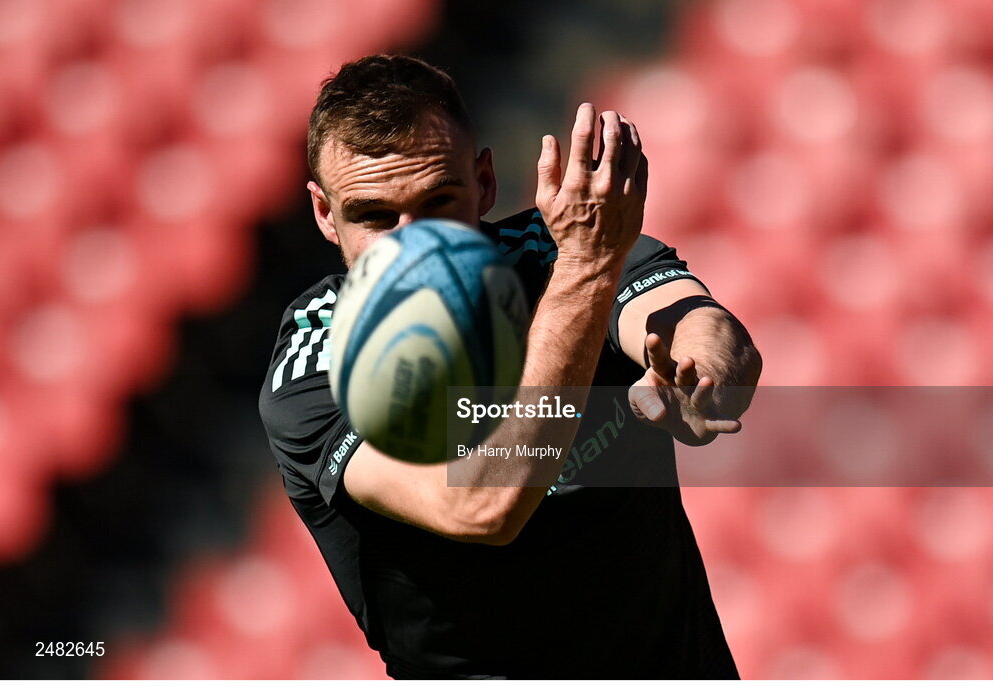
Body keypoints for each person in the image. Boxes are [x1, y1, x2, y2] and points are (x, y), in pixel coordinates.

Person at [259, 54, 761, 679]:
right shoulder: (318, 365)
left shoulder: (561, 250)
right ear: (325, 215)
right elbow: (482, 505)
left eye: (439, 201)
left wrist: (704, 380)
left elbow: (699, 324)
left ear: (486, 183)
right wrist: (586, 270)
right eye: (375, 217)